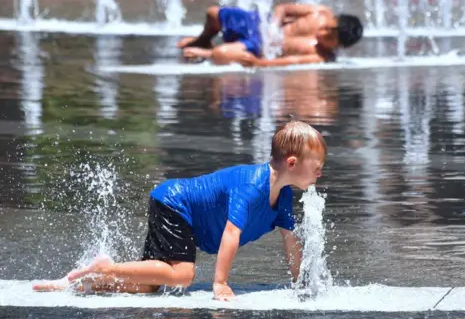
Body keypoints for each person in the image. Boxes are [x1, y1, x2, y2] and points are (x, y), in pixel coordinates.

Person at [32, 120, 327, 301]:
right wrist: (220, 284)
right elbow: (231, 232)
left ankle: (84, 282)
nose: (319, 175)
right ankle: (104, 267)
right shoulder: (252, 185)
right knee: (182, 274)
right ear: (291, 164)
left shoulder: (284, 195)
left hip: (176, 206)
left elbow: (291, 241)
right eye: (316, 169)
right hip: (175, 203)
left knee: (150, 285)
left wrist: (299, 283)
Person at [177, 4, 364, 67]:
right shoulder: (321, 13)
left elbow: (289, 62)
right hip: (261, 23)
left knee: (221, 54)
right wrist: (273, 27)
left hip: (260, 47)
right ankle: (202, 40)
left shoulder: (321, 56)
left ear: (338, 46)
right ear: (334, 19)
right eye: (327, 28)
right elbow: (282, 8)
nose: (322, 33)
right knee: (212, 13)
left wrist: (261, 64)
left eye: (330, 38)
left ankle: (207, 53)